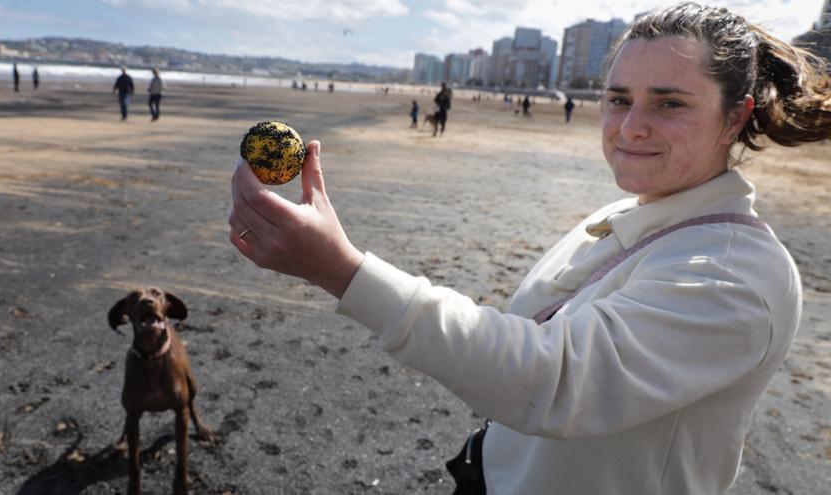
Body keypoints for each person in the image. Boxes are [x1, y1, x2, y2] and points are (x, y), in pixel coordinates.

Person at [228, 2, 831, 494]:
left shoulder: (734, 273)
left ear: (736, 116)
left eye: (669, 102)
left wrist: (342, 270)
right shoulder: (624, 215)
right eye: (619, 99)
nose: (630, 127)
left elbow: (556, 378)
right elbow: (525, 338)